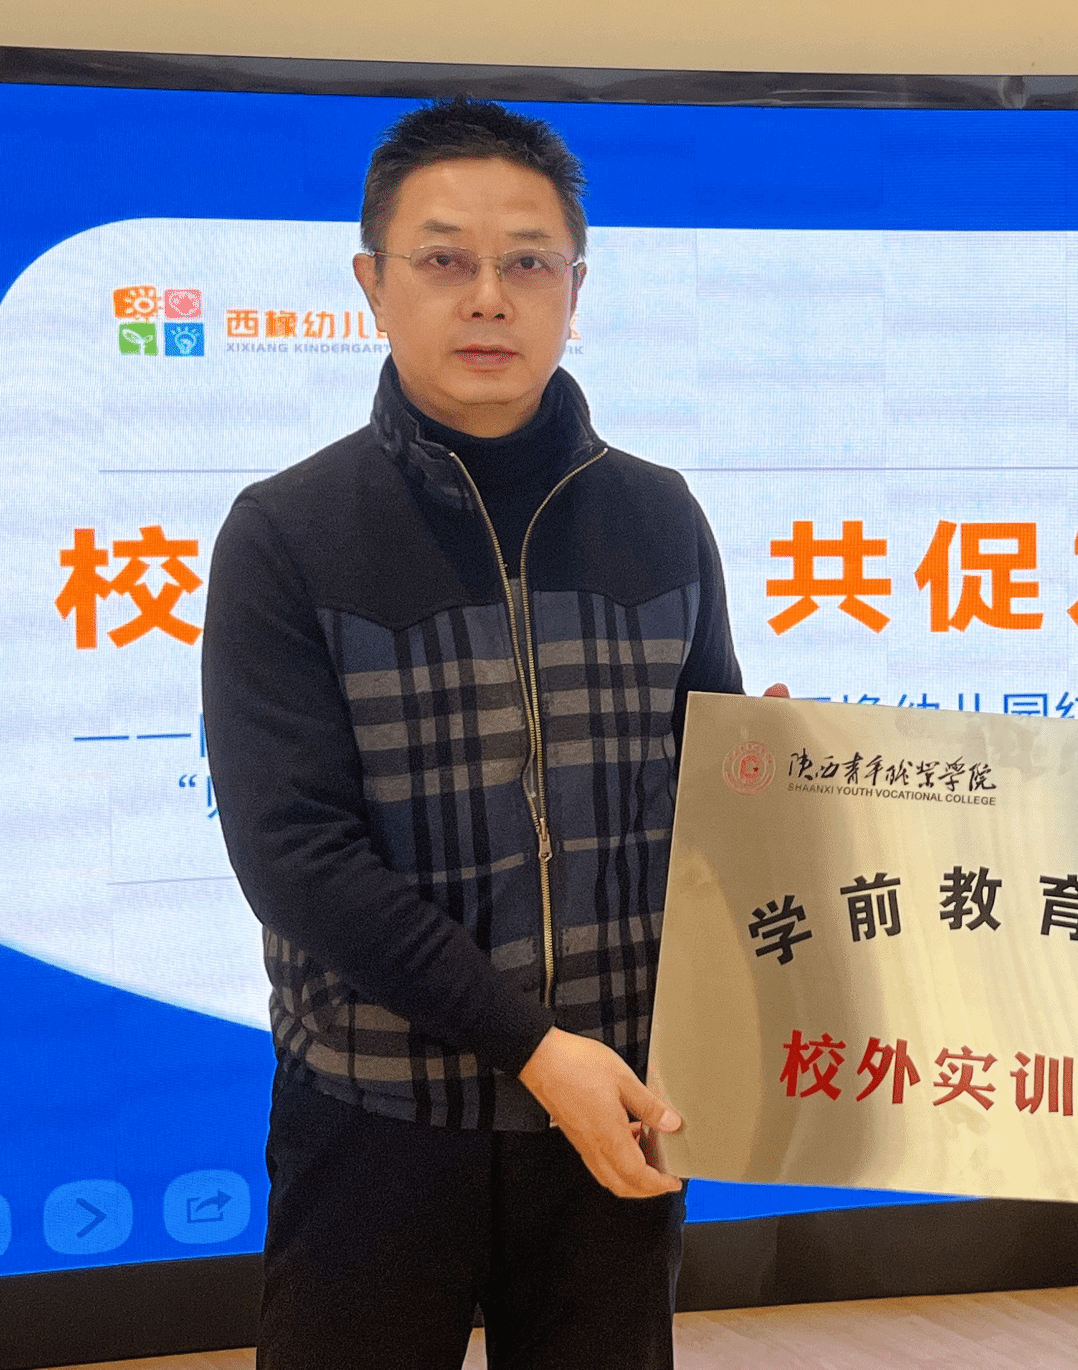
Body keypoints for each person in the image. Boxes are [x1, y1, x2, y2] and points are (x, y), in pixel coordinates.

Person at [203, 97, 760, 1369]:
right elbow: (294, 856)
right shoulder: (287, 533)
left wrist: (772, 778)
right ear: (373, 285)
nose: (489, 299)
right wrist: (530, 1047)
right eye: (444, 260)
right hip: (377, 1116)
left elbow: (704, 803)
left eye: (528, 262)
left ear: (576, 288)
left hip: (612, 1106)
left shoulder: (660, 517)